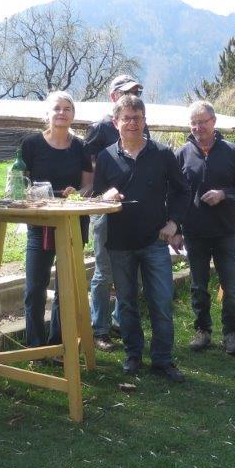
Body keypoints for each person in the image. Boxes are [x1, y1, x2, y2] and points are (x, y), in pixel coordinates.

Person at [93, 95, 191, 382]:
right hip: (119, 242)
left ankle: (162, 359)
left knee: (161, 301)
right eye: (126, 118)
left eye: (137, 118)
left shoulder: (162, 153)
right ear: (116, 122)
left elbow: (182, 191)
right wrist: (105, 196)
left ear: (145, 121)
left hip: (154, 240)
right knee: (126, 303)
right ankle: (133, 354)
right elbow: (96, 196)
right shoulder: (106, 157)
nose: (132, 123)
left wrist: (174, 223)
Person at [175, 100, 235, 356]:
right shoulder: (182, 154)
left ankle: (231, 333)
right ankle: (202, 330)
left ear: (214, 122)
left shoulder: (231, 151)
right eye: (193, 123)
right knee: (198, 286)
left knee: (231, 286)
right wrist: (176, 229)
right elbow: (174, 193)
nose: (198, 127)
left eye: (203, 122)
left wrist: (224, 194)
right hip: (194, 232)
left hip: (225, 231)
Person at [20, 90, 93, 347]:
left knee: (66, 288)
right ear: (47, 113)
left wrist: (78, 193)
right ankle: (35, 347)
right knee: (34, 288)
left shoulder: (82, 147)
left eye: (67, 108)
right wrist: (34, 194)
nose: (61, 113)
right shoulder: (31, 145)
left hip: (72, 223)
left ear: (73, 114)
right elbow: (19, 184)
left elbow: (88, 185)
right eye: (57, 108)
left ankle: (59, 344)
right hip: (40, 223)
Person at [84, 74, 149, 352]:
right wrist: (101, 192)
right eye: (125, 92)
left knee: (133, 272)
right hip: (106, 211)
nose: (132, 96)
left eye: (136, 92)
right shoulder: (100, 127)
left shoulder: (142, 125)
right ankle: (99, 329)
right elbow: (88, 167)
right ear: (113, 96)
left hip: (135, 212)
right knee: (104, 271)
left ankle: (121, 322)